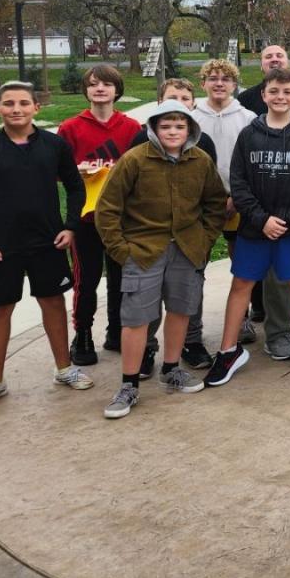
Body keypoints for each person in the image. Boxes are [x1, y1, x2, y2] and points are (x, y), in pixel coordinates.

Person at [0, 81, 93, 412]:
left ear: (36, 108)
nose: (16, 109)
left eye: (23, 103)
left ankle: (64, 369)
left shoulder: (54, 146)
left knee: (53, 303)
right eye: (9, 103)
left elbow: (75, 188)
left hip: (48, 243)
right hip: (0, 248)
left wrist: (71, 227)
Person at [95, 102, 228, 418]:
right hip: (143, 251)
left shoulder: (201, 161)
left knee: (181, 310)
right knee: (136, 318)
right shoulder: (134, 160)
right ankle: (129, 384)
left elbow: (215, 203)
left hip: (187, 250)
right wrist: (122, 251)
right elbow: (107, 208)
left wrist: (204, 240)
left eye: (179, 126)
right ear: (154, 129)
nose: (172, 132)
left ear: (189, 130)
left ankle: (171, 369)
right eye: (166, 126)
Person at [204, 69, 290, 386]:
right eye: (274, 91)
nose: (280, 97)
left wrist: (284, 220)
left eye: (287, 92)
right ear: (263, 95)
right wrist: (261, 219)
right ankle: (228, 351)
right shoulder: (249, 134)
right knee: (242, 284)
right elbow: (239, 183)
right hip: (254, 228)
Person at [129, 77, 218, 370]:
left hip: (190, 237)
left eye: (184, 98)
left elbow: (211, 194)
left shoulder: (203, 144)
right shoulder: (140, 143)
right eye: (171, 98)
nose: (178, 103)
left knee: (189, 293)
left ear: (193, 104)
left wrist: (205, 238)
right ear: (158, 103)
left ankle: (191, 341)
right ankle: (146, 348)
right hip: (149, 239)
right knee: (149, 296)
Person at [59, 63, 144, 367]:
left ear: (116, 90)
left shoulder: (132, 128)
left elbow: (142, 169)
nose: (99, 89)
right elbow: (57, 171)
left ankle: (117, 330)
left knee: (122, 278)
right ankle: (82, 334)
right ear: (86, 90)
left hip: (122, 218)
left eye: (106, 84)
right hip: (86, 218)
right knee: (87, 279)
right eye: (93, 84)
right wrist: (77, 171)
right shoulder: (71, 127)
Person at [192, 58, 258, 339]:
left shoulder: (248, 118)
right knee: (195, 265)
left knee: (240, 264)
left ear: (234, 84)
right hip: (201, 204)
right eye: (213, 78)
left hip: (237, 200)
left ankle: (242, 319)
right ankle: (192, 327)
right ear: (203, 83)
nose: (219, 83)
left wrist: (237, 198)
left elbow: (252, 163)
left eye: (226, 79)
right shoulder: (192, 118)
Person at [236, 43, 290, 116]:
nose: (274, 59)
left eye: (279, 56)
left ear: (288, 63)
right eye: (268, 57)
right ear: (261, 66)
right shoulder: (245, 99)